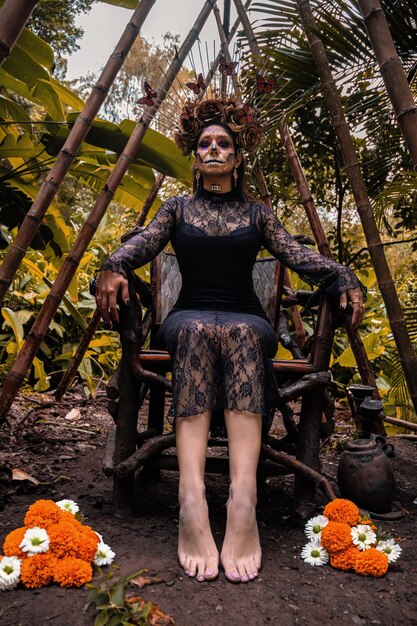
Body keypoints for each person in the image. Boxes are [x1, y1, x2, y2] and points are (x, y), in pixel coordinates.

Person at [95, 98, 364, 584]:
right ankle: (192, 500)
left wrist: (343, 275)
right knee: (198, 331)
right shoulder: (175, 209)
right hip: (187, 317)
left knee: (240, 331)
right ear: (196, 158)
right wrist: (113, 265)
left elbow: (300, 257)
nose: (214, 149)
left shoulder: (259, 215)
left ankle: (243, 502)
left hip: (246, 317)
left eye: (223, 143)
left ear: (237, 158)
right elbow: (140, 245)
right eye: (205, 144)